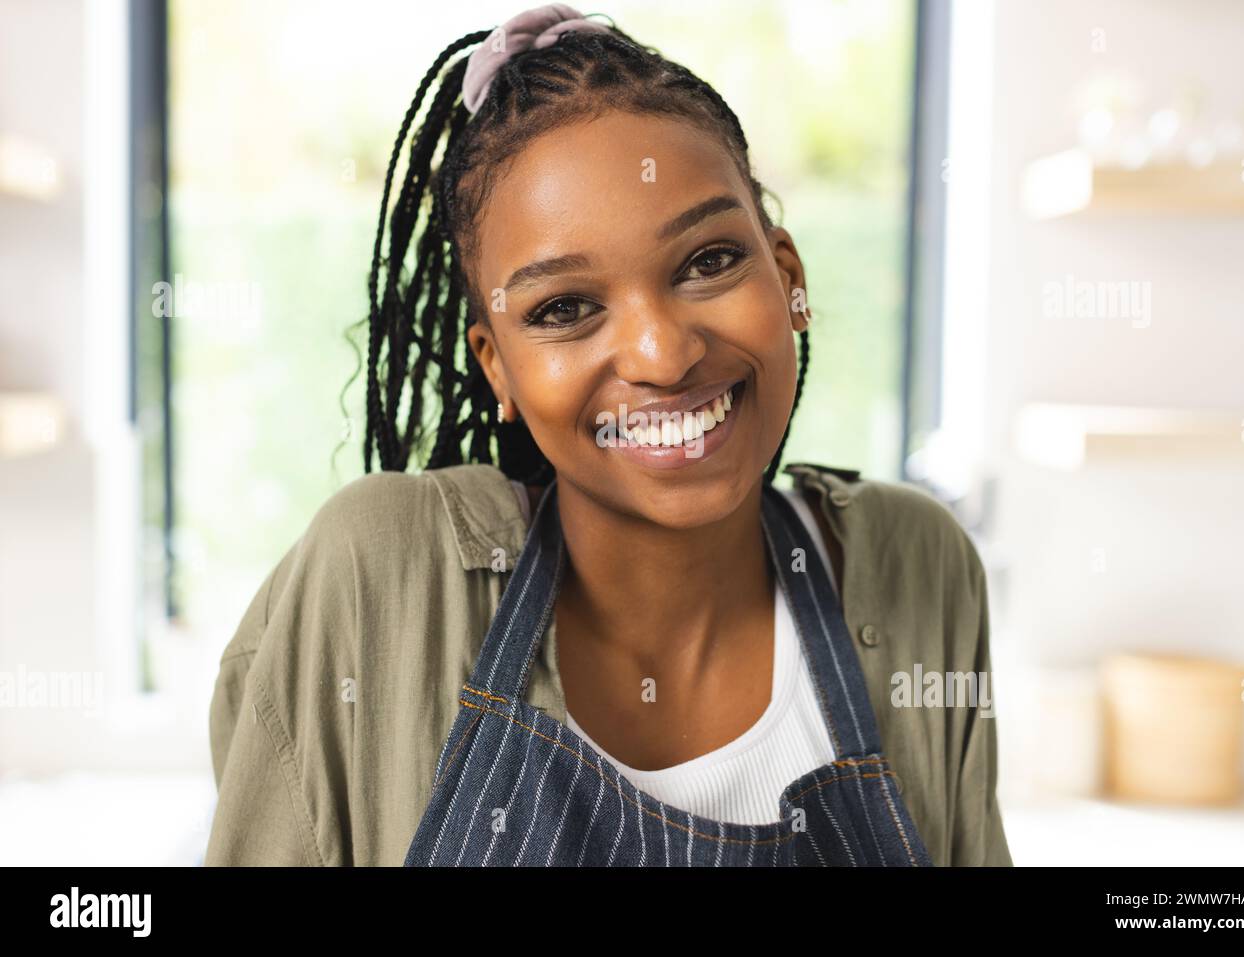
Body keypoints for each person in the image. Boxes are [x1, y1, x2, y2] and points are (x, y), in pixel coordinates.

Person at [204, 2, 1012, 867]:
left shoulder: (916, 566)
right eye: (564, 308)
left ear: (788, 279)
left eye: (708, 261)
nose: (664, 355)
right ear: (499, 370)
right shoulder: (380, 574)